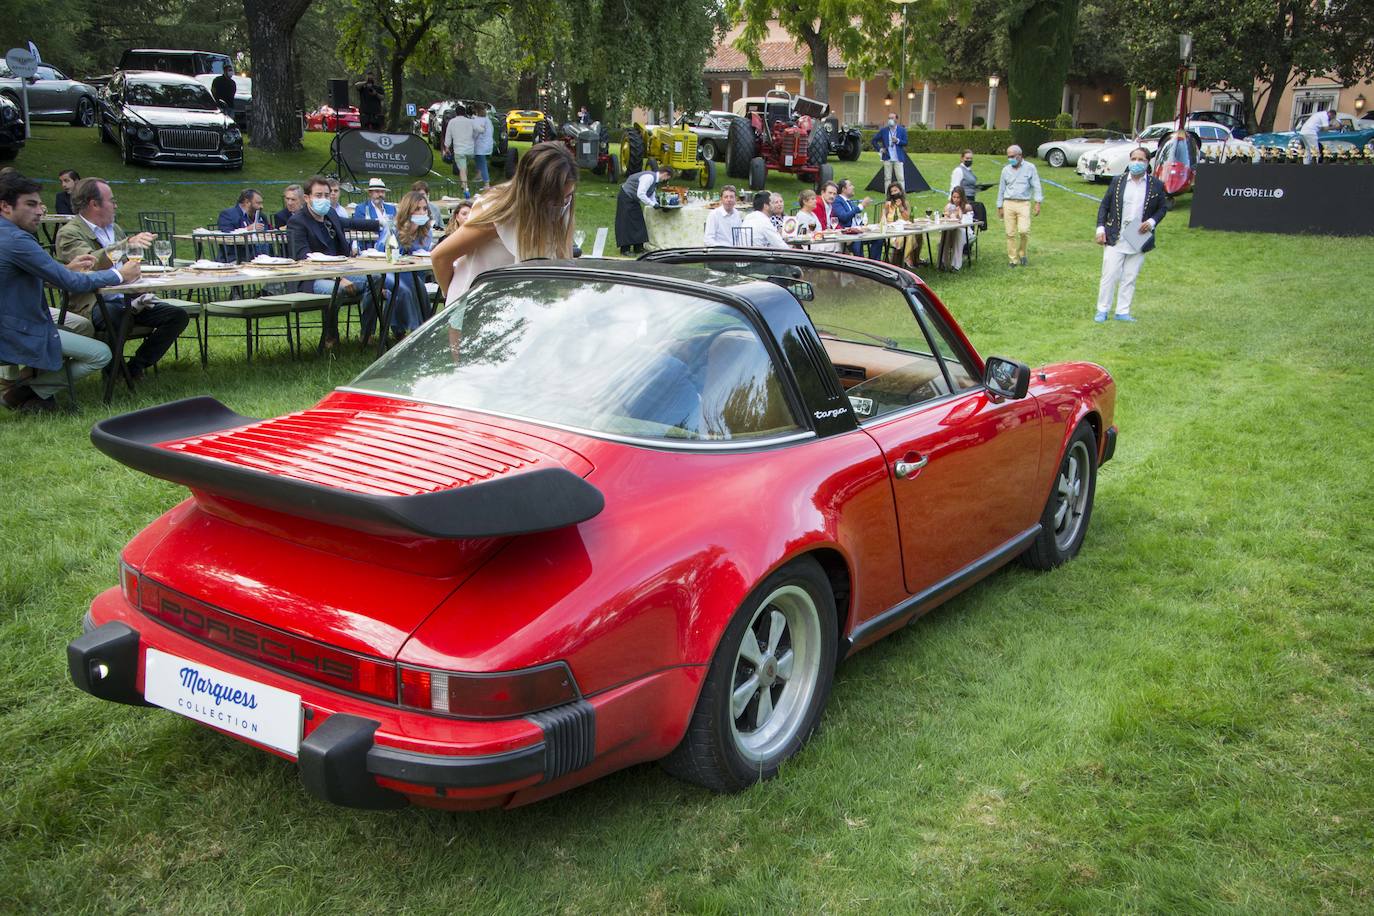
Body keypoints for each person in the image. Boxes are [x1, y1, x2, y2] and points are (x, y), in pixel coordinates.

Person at [0, 172, 134, 412]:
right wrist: (120, 275)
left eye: (39, 204)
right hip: (14, 324)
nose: (40, 211)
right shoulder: (16, 239)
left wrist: (63, 268)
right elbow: (71, 283)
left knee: (82, 325)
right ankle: (26, 391)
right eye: (31, 204)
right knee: (101, 354)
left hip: (17, 310)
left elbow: (21, 274)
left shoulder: (8, 234)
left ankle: (30, 377)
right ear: (5, 207)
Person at [54, 178, 189, 382]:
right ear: (94, 204)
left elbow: (127, 266)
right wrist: (126, 245)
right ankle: (113, 373)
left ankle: (134, 367)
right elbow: (89, 264)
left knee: (177, 315)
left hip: (127, 298)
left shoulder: (114, 229)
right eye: (112, 200)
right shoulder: (69, 233)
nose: (116, 205)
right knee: (117, 315)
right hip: (92, 303)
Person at [431, 141, 576, 307]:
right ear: (533, 193)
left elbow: (562, 264)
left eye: (567, 197)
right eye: (554, 201)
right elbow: (441, 257)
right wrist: (453, 297)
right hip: (474, 310)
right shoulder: (498, 212)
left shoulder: (563, 206)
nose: (562, 206)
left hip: (513, 311)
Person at [285, 175, 381, 348]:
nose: (324, 199)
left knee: (375, 278)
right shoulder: (297, 222)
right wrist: (336, 278)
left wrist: (380, 223)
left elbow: (350, 222)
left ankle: (367, 334)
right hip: (312, 279)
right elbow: (303, 258)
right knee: (336, 290)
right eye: (319, 195)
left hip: (342, 272)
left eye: (327, 195)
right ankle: (331, 336)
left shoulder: (329, 214)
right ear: (307, 198)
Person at [1093, 147, 1167, 322]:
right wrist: (1100, 228)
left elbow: (1162, 208)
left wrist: (1151, 223)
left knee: (1130, 276)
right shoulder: (1118, 182)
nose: (1136, 162)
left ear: (1148, 162)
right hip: (1116, 234)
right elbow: (1104, 206)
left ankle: (1122, 311)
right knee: (1109, 275)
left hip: (1139, 235)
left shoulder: (1155, 184)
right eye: (1134, 158)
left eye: (1141, 159)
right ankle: (1102, 309)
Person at [358, 190, 429, 343]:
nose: (422, 212)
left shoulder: (424, 232)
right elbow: (384, 253)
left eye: (424, 209)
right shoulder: (394, 228)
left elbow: (422, 254)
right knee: (402, 289)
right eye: (417, 209)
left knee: (419, 286)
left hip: (409, 272)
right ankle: (401, 330)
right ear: (408, 210)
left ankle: (423, 328)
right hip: (386, 270)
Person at [996, 144, 1043, 267]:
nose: (1010, 159)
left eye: (1012, 156)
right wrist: (999, 206)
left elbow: (1036, 185)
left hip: (1024, 203)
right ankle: (1013, 259)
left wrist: (1038, 202)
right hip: (1008, 203)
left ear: (1020, 156)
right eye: (1008, 156)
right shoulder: (1005, 170)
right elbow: (1001, 188)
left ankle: (1022, 252)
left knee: (1024, 231)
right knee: (1010, 233)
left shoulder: (1030, 168)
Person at [615, 163, 672, 255]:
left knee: (639, 223)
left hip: (633, 199)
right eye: (667, 178)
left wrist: (658, 206)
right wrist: (653, 204)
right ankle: (625, 250)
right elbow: (641, 194)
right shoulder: (649, 177)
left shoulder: (655, 181)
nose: (666, 180)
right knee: (626, 224)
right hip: (626, 196)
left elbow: (651, 195)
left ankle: (638, 248)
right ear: (665, 174)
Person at [832, 178, 878, 258]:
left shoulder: (849, 202)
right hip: (847, 234)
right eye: (850, 185)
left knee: (878, 238)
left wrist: (863, 226)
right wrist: (861, 206)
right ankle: (860, 264)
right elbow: (844, 217)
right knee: (857, 241)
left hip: (857, 232)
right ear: (843, 189)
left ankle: (875, 263)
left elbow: (856, 218)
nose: (853, 187)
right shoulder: (837, 201)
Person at [443, 104, 477, 197]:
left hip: (459, 150)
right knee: (464, 167)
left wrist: (446, 147)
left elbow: (448, 136)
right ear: (465, 113)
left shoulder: (452, 122)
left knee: (462, 169)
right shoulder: (471, 122)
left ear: (456, 113)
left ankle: (466, 189)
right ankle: (463, 184)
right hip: (470, 150)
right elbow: (476, 134)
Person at [939, 186, 974, 271]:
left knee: (958, 232)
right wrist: (946, 215)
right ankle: (942, 262)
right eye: (954, 197)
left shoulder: (967, 207)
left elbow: (966, 222)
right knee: (946, 232)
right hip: (951, 230)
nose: (956, 199)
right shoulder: (949, 206)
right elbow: (945, 218)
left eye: (958, 197)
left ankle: (956, 265)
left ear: (962, 197)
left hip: (965, 231)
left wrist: (959, 212)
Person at [872, 113, 908, 192]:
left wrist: (897, 141)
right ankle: (888, 196)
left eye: (892, 118)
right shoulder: (884, 130)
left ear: (896, 119)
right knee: (887, 178)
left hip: (898, 158)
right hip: (887, 157)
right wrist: (880, 149)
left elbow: (905, 142)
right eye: (889, 118)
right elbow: (874, 140)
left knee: (900, 178)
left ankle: (902, 195)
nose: (890, 120)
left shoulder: (902, 130)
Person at [882, 183, 915, 267]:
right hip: (890, 231)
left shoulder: (905, 203)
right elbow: (882, 220)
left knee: (909, 235)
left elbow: (907, 218)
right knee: (902, 237)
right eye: (892, 191)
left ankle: (904, 258)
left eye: (895, 190)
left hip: (903, 228)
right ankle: (905, 259)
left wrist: (900, 207)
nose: (894, 193)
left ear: (900, 191)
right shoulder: (888, 204)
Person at [471, 104, 492, 191]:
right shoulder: (487, 120)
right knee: (479, 161)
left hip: (480, 145)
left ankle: (487, 183)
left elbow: (475, 132)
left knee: (482, 163)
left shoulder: (478, 120)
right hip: (487, 144)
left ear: (477, 111)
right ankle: (479, 176)